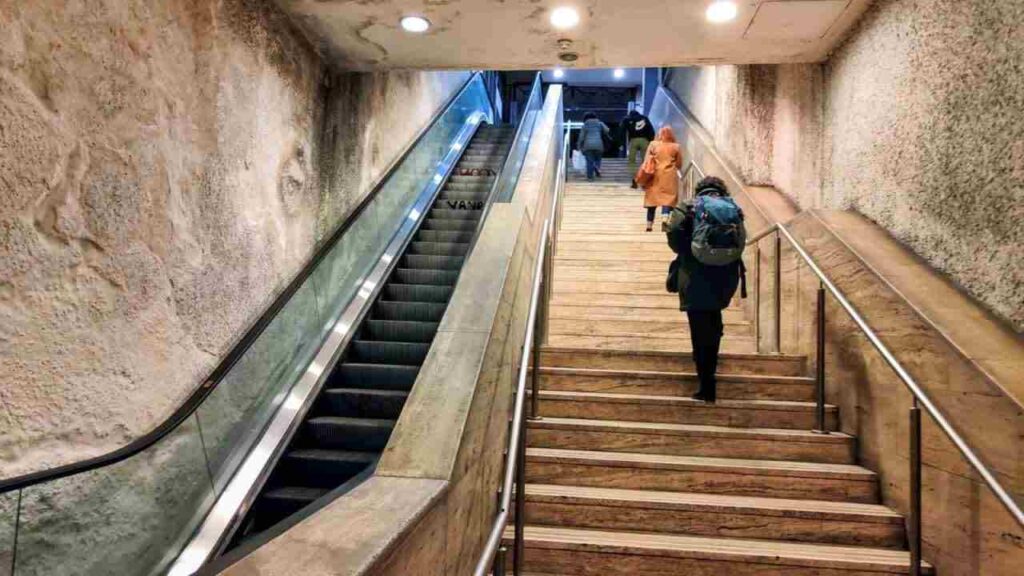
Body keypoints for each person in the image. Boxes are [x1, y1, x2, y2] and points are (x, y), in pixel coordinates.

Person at [666, 176, 744, 404]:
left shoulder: (688, 208)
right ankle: (709, 364)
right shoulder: (733, 209)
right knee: (713, 320)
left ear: (699, 190)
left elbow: (675, 241)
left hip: (694, 275)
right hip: (726, 275)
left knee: (699, 327)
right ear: (722, 190)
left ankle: (706, 384)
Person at [641, 126, 683, 232]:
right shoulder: (676, 146)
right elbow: (679, 164)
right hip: (669, 176)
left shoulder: (653, 144)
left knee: (652, 200)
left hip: (654, 175)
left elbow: (646, 161)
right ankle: (665, 219)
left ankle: (649, 225)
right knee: (667, 199)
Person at [621, 109, 656, 188]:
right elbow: (651, 130)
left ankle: (634, 180)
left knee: (632, 161)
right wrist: (651, 141)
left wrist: (622, 143)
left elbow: (622, 131)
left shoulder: (627, 119)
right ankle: (644, 181)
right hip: (644, 140)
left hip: (633, 141)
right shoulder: (645, 118)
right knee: (645, 161)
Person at [577, 112, 609, 181]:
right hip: (599, 145)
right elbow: (607, 130)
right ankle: (597, 169)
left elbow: (581, 137)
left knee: (589, 161)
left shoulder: (585, 125)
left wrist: (579, 146)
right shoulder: (600, 123)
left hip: (588, 146)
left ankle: (590, 177)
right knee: (598, 159)